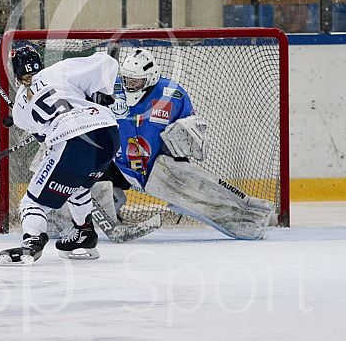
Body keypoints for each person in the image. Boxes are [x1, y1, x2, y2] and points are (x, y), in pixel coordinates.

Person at [103, 48, 273, 240]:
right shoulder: (110, 89)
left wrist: (186, 137)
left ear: (150, 78)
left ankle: (249, 220)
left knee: (202, 197)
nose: (130, 85)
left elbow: (192, 129)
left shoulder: (172, 94)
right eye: (127, 79)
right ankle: (73, 226)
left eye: (136, 81)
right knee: (88, 178)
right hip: (119, 165)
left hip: (160, 166)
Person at [0, 45, 120, 266]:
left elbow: (44, 136)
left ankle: (32, 241)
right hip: (108, 132)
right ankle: (85, 233)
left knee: (31, 202)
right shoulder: (60, 69)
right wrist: (100, 95)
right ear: (39, 64)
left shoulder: (19, 111)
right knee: (78, 186)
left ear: (16, 75)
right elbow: (107, 63)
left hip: (73, 140)